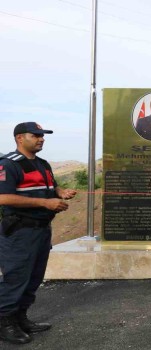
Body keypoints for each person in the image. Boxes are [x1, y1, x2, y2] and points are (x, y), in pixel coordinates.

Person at [0, 122, 77, 345]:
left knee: (33, 278)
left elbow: (52, 187)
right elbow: (3, 198)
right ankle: (4, 322)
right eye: (36, 136)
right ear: (19, 139)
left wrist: (61, 191)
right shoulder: (9, 164)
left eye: (42, 136)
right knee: (16, 278)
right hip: (19, 232)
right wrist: (45, 203)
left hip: (41, 231)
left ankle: (20, 317)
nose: (41, 139)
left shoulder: (43, 164)